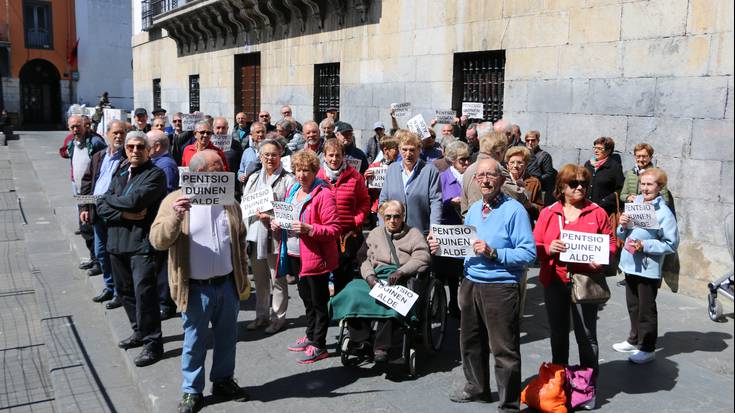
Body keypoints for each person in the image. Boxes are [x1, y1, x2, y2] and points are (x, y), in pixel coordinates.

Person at [429, 158, 535, 410]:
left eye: (491, 175)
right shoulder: (475, 209)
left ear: (500, 179)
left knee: (504, 349)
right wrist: (440, 246)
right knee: (470, 342)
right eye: (481, 176)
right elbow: (466, 246)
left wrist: (495, 253)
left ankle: (509, 403)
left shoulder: (515, 211)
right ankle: (477, 387)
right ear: (475, 180)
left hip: (500, 286)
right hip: (471, 283)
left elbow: (529, 254)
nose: (485, 180)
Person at [150, 150, 251, 413]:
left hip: (226, 283)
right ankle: (192, 391)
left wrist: (241, 277)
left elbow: (239, 237)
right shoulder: (175, 199)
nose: (223, 171)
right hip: (195, 288)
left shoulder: (229, 199)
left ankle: (223, 380)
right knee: (194, 341)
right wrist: (175, 216)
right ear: (200, 173)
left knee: (228, 338)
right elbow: (158, 240)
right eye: (217, 168)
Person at [533, 164, 617, 409]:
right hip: (555, 281)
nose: (580, 187)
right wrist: (549, 248)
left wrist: (601, 257)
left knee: (586, 336)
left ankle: (587, 387)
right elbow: (536, 243)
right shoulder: (550, 212)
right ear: (562, 187)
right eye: (574, 183)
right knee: (558, 334)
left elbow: (610, 244)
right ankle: (560, 383)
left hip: (585, 281)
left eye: (584, 183)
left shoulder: (597, 212)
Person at [96, 131, 167, 367]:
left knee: (144, 294)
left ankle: (152, 343)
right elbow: (100, 205)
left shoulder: (155, 174)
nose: (135, 150)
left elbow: (137, 201)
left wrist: (112, 202)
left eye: (140, 147)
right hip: (116, 243)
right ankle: (138, 331)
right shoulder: (121, 171)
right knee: (124, 291)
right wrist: (123, 212)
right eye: (131, 147)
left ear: (149, 150)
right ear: (125, 149)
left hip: (141, 244)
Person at [333, 200, 431, 362]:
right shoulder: (375, 233)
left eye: (397, 216)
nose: (392, 220)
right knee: (352, 293)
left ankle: (381, 346)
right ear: (382, 217)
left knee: (392, 304)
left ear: (403, 217)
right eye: (388, 217)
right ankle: (361, 339)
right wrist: (370, 277)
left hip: (401, 277)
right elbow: (363, 258)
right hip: (375, 276)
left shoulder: (414, 234)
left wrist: (401, 271)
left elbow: (422, 257)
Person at [273, 150, 340, 364]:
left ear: (314, 171)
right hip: (294, 253)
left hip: (314, 256)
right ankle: (311, 335)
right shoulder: (293, 190)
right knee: (306, 298)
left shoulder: (323, 194)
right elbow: (285, 216)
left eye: (307, 170)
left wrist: (309, 228)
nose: (302, 174)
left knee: (319, 301)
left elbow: (334, 229)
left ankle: (320, 345)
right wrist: (277, 222)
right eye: (299, 170)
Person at [613, 168, 679, 364]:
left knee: (646, 309)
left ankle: (647, 348)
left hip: (648, 268)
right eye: (643, 184)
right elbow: (622, 234)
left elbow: (671, 244)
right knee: (633, 306)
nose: (645, 188)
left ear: (660, 187)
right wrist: (622, 225)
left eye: (650, 184)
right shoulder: (636, 204)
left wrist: (646, 245)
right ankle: (634, 339)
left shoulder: (664, 212)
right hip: (630, 264)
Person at [242, 139, 295, 334]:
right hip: (256, 235)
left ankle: (278, 318)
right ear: (260, 157)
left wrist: (270, 216)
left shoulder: (289, 180)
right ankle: (261, 316)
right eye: (266, 155)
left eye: (274, 154)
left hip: (276, 236)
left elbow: (292, 211)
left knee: (278, 279)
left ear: (280, 155)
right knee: (260, 279)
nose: (270, 158)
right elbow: (244, 205)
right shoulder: (254, 177)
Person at [79, 119, 126, 308]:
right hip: (97, 213)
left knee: (115, 254)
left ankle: (119, 293)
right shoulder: (99, 156)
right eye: (115, 133)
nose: (118, 136)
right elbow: (86, 182)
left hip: (114, 215)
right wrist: (84, 208)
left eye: (122, 133)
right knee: (100, 252)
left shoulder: (127, 159)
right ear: (107, 134)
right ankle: (109, 286)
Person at [316, 138, 370, 295]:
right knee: (321, 278)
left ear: (344, 156)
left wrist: (356, 220)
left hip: (347, 236)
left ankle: (342, 314)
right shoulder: (318, 177)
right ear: (324, 156)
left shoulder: (355, 177)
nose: (334, 159)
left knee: (343, 277)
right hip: (324, 235)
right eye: (330, 155)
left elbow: (364, 202)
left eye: (338, 155)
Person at [62, 114, 107, 274]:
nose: (75, 129)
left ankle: (100, 263)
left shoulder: (95, 142)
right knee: (85, 226)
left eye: (78, 126)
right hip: (81, 189)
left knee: (92, 225)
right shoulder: (73, 143)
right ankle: (94, 258)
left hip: (93, 191)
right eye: (72, 127)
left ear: (84, 126)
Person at [378, 130, 442, 236]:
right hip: (393, 234)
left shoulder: (430, 171)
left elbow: (436, 202)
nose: (408, 154)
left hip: (420, 233)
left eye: (412, 150)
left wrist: (434, 230)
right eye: (404, 150)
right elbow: (383, 201)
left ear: (419, 150)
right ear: (399, 150)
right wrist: (382, 228)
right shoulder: (392, 169)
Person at [437, 140, 472, 316]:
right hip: (447, 229)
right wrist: (449, 202)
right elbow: (434, 203)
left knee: (460, 270)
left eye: (468, 159)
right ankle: (439, 303)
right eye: (462, 160)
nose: (466, 163)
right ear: (452, 160)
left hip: (465, 230)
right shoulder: (442, 177)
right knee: (443, 270)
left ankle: (455, 303)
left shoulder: (471, 177)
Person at [620, 143, 673, 210]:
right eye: (638, 156)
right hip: (633, 213)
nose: (641, 159)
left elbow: (665, 200)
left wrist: (653, 204)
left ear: (650, 157)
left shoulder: (657, 174)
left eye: (644, 156)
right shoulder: (630, 173)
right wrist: (628, 197)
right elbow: (622, 195)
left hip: (651, 212)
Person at [584, 137, 624, 216]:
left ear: (608, 151)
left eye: (600, 148)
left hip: (604, 210)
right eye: (595, 148)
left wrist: (605, 201)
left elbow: (620, 189)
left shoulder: (614, 167)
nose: (596, 151)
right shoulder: (588, 164)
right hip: (586, 208)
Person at [505, 145, 542, 220]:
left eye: (519, 162)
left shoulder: (534, 182)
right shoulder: (502, 181)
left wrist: (530, 205)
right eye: (512, 162)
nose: (515, 166)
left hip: (525, 220)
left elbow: (540, 207)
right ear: (507, 165)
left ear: (526, 165)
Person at [365, 136, 399, 218]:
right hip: (378, 209)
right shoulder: (374, 167)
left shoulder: (400, 167)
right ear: (386, 150)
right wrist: (366, 180)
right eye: (395, 149)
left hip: (396, 207)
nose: (398, 152)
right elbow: (368, 192)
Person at [524, 130, 556, 205]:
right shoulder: (523, 154)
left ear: (538, 141)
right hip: (524, 186)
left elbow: (549, 174)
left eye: (533, 140)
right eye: (528, 140)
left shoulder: (544, 156)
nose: (530, 143)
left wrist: (536, 180)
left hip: (538, 189)